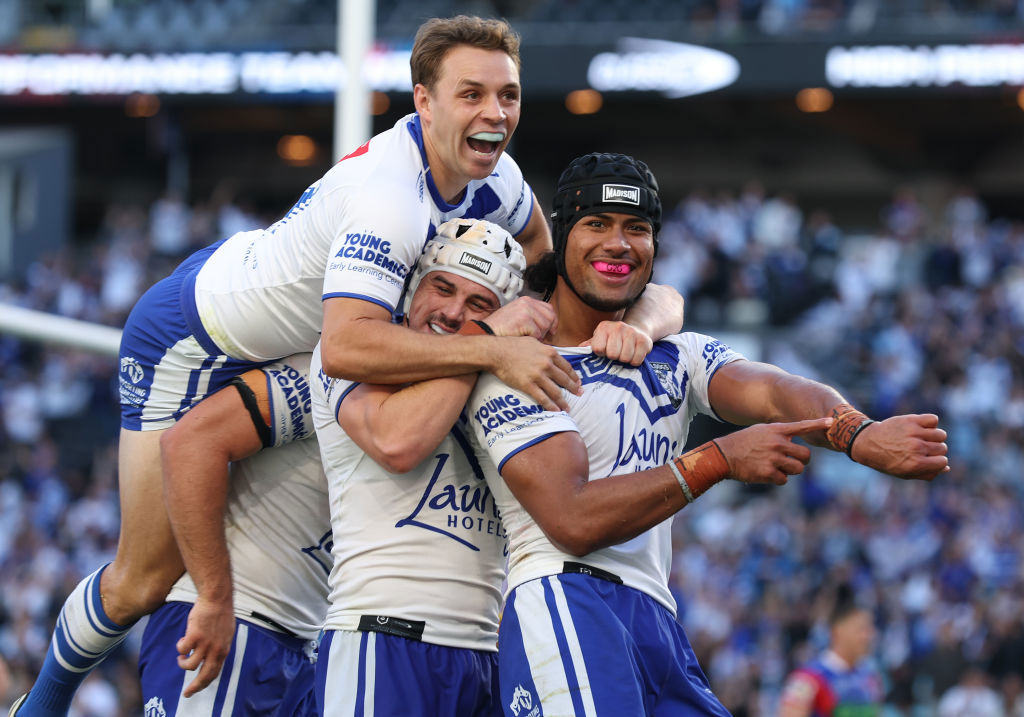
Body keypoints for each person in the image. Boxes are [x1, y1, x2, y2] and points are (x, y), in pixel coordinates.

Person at [12, 17, 681, 716]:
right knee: (147, 577)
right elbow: (348, 347)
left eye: (508, 96)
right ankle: (43, 700)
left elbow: (555, 276)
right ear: (422, 101)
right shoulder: (389, 198)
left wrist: (644, 315)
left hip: (299, 342)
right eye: (472, 94)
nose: (495, 114)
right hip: (195, 338)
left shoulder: (499, 179)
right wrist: (491, 341)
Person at [463, 152, 950, 716]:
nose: (618, 244)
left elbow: (774, 390)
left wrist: (859, 435)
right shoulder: (520, 364)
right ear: (563, 235)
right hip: (562, 597)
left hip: (654, 614)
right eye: (596, 224)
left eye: (637, 228)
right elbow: (572, 521)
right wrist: (718, 458)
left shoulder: (678, 354)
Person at [310, 217, 658, 716]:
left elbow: (662, 296)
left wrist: (640, 325)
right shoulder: (351, 356)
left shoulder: (503, 366)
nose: (453, 314)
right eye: (442, 288)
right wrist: (488, 336)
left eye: (479, 303)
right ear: (410, 291)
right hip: (380, 638)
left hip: (490, 657)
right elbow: (398, 441)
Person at [138, 353, 328, 715]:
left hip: (300, 643)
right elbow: (190, 443)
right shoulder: (325, 375)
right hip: (235, 626)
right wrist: (213, 597)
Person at [778, 593, 884, 717]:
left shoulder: (870, 679)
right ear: (837, 631)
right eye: (862, 629)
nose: (869, 636)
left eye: (871, 629)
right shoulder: (807, 679)